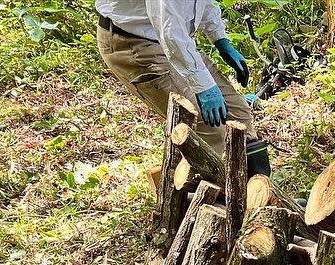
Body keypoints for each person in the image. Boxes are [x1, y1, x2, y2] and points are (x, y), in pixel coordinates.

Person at [94, 0, 271, 176]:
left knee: (238, 113)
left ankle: (258, 190)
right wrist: (203, 87)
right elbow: (171, 32)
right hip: (133, 42)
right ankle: (198, 196)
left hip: (169, 37)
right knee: (205, 125)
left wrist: (220, 40)